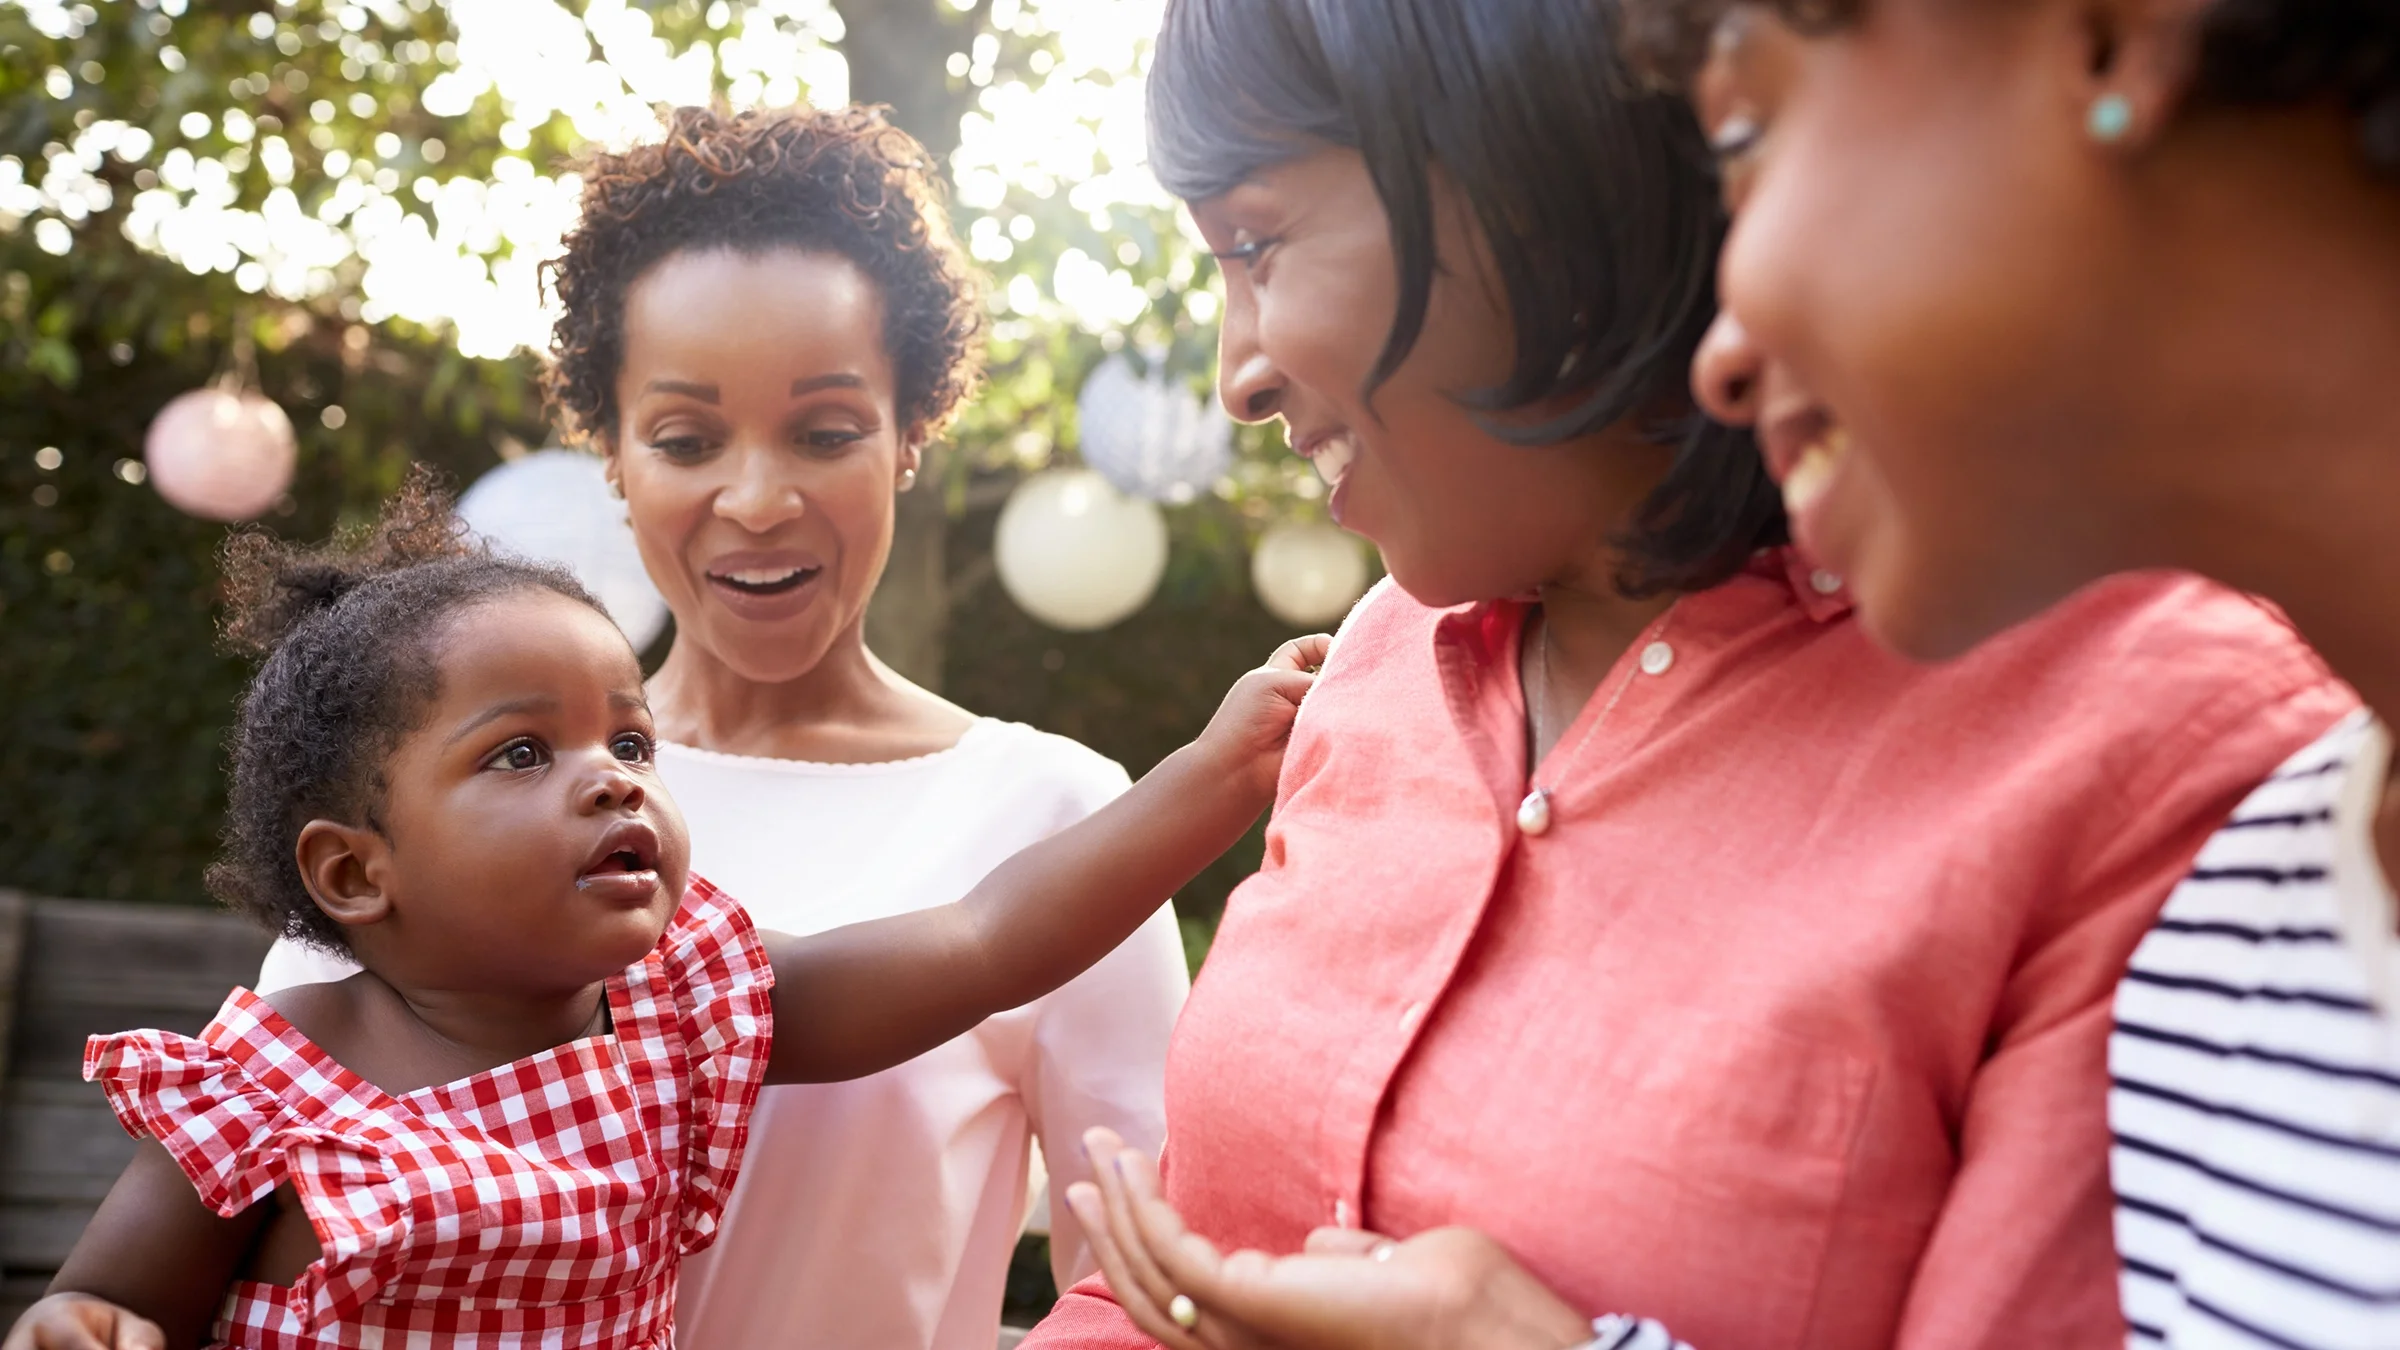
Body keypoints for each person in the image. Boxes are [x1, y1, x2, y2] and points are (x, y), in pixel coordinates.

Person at [1019, 0, 2353, 1348]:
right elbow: (1169, 1279)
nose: (1236, 373)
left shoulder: (2171, 741)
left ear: (1541, 175)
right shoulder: (1372, 660)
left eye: (1257, 244)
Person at [254, 105, 1192, 1350]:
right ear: (616, 457)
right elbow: (270, 1202)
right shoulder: (430, 793)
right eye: (689, 439)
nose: (757, 500)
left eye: (826, 430)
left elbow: (1146, 1287)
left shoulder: (1057, 820)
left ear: (910, 439)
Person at [3, 475, 1317, 1350]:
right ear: (356, 871)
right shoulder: (268, 1088)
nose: (610, 779)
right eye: (523, 752)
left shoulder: (679, 1004)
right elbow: (110, 1295)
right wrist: (78, 1321)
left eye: (631, 743)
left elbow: (982, 941)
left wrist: (1217, 773)